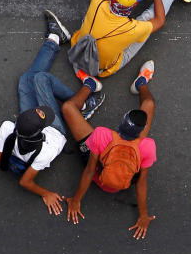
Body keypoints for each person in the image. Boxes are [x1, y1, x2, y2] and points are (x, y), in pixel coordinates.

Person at [0, 13, 100, 213]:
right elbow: (26, 182)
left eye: (36, 111)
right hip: (57, 132)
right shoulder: (46, 150)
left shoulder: (8, 128)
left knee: (26, 79)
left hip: (35, 129)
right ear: (41, 128)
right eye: (40, 113)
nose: (39, 110)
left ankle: (55, 38)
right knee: (40, 80)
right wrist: (46, 193)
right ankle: (82, 105)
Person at [61, 63, 159, 238]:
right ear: (142, 131)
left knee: (68, 108)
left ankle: (90, 85)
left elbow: (90, 170)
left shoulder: (102, 134)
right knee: (149, 103)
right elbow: (142, 182)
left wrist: (76, 200)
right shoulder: (147, 146)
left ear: (121, 123)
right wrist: (143, 215)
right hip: (121, 182)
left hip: (101, 175)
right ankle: (141, 83)